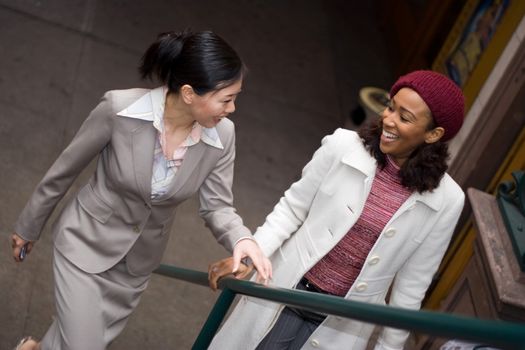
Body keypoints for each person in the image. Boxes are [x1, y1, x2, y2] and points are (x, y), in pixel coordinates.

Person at [10, 30, 270, 350]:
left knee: (75, 339)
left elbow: (217, 206)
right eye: (226, 98)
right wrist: (29, 226)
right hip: (85, 242)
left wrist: (242, 239)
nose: (232, 109)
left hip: (136, 266)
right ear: (189, 93)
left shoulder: (223, 137)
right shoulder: (119, 109)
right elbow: (65, 169)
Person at [208, 70, 466, 350]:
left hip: (345, 325)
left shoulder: (447, 200)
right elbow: (291, 210)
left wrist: (388, 348)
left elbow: (411, 286)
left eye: (404, 118)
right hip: (288, 288)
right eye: (391, 107)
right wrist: (249, 257)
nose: (388, 120)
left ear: (433, 134)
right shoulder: (342, 145)